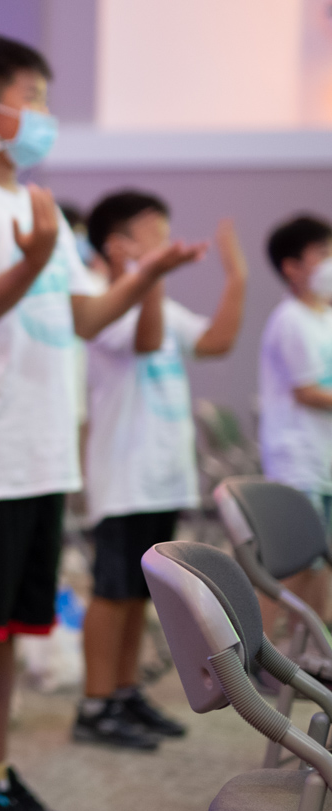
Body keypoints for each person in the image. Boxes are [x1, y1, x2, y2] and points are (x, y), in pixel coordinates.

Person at [0, 36, 202, 811]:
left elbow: (83, 317)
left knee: (7, 631)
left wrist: (144, 277)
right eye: (31, 96)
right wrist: (37, 255)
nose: (44, 114)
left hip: (39, 453)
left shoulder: (33, 203)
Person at [75, 191, 246, 750]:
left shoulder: (159, 303)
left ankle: (124, 692)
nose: (168, 241)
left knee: (139, 592)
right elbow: (146, 342)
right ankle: (95, 704)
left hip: (162, 474)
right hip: (125, 474)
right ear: (117, 245)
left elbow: (216, 342)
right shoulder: (103, 301)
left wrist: (237, 278)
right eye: (155, 233)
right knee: (112, 591)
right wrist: (152, 274)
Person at [259, 215, 332, 612]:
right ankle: (251, 648)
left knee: (320, 565)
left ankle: (315, 644)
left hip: (322, 459)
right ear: (292, 267)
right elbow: (307, 392)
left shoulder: (324, 317)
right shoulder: (290, 319)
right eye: (323, 253)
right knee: (294, 568)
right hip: (299, 461)